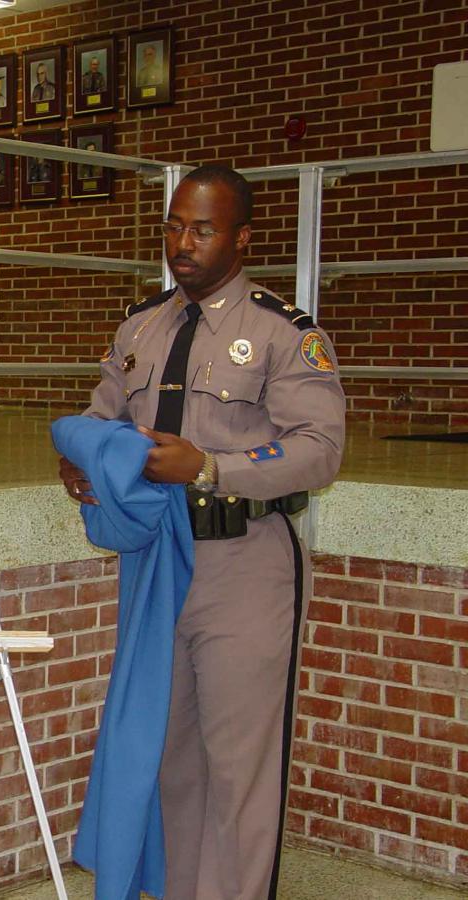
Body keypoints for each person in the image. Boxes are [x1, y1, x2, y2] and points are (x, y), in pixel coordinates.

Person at [59, 164, 344, 899]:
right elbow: (100, 418)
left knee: (239, 762)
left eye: (204, 229)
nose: (183, 243)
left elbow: (320, 449)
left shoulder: (281, 332)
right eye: (174, 227)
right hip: (159, 563)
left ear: (242, 238)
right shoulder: (141, 326)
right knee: (171, 752)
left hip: (243, 561)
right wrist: (83, 464)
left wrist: (212, 468)